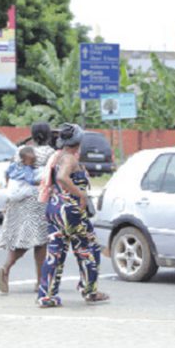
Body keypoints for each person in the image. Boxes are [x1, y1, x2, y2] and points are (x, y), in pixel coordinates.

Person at [37, 123, 109, 308]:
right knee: (88, 249)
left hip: (54, 209)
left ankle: (47, 295)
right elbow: (62, 177)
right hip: (71, 211)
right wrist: (81, 194)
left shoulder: (57, 156)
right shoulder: (69, 159)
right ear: (78, 140)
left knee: (55, 253)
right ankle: (89, 290)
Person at [0, 124, 55, 294]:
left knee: (22, 238)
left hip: (17, 199)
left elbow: (8, 174)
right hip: (37, 201)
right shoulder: (49, 153)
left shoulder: (20, 151)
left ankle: (6, 268)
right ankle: (40, 281)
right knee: (40, 242)